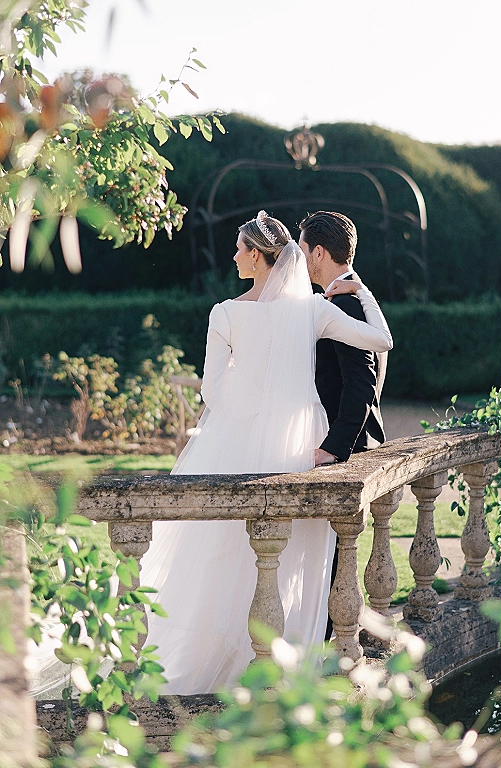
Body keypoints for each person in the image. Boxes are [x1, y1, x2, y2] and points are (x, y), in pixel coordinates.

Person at [139, 211, 393, 695]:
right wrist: (363, 292)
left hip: (239, 441)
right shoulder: (313, 311)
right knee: (295, 555)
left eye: (239, 248)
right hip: (300, 442)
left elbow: (212, 393)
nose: (234, 255)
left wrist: (251, 411)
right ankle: (285, 666)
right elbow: (383, 340)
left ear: (257, 256)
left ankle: (225, 659)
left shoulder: (225, 313)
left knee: (224, 553)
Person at [298, 210, 387, 465]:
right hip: (355, 442)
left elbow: (361, 380)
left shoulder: (344, 304)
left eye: (304, 252)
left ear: (318, 252)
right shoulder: (356, 294)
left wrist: (334, 448)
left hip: (348, 449)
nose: (300, 262)